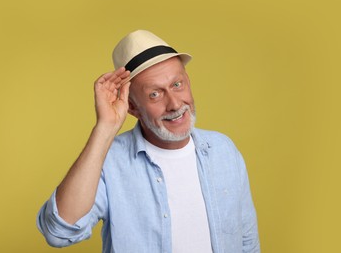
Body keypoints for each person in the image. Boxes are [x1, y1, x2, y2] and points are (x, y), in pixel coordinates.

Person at [37, 30, 260, 253]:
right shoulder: (109, 162)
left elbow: (247, 241)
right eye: (155, 94)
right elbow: (60, 233)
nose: (174, 104)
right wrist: (105, 128)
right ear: (132, 107)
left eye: (177, 84)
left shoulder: (224, 150)